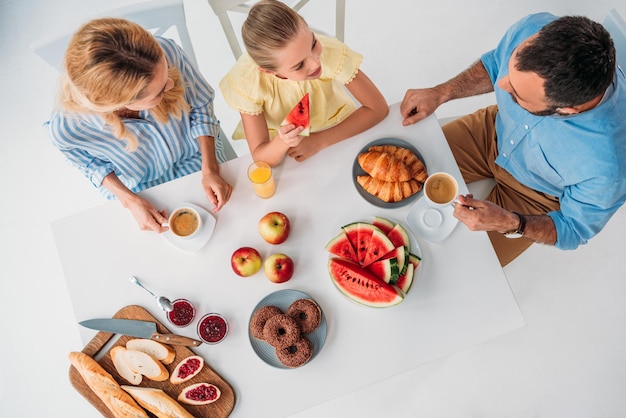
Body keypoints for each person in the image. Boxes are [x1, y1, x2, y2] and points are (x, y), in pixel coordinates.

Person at [401, 13, 626, 266]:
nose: (501, 84)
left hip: (534, 198)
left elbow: (573, 229)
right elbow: (496, 65)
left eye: (516, 94)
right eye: (511, 73)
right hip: (489, 132)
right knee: (401, 174)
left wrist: (512, 223)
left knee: (453, 266)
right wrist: (442, 92)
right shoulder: (532, 28)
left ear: (567, 109)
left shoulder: (610, 166)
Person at [46, 18, 234, 233]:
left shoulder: (166, 52)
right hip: (141, 188)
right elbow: (92, 165)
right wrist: (130, 201)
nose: (172, 84)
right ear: (118, 104)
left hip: (197, 158)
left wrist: (210, 168)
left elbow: (200, 106)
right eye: (161, 90)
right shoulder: (67, 129)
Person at [219, 0, 388, 166]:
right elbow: (261, 158)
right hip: (283, 148)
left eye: (313, 43)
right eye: (299, 65)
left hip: (339, 126)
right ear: (269, 71)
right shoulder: (247, 82)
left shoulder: (328, 53)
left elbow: (378, 108)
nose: (315, 63)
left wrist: (320, 140)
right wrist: (282, 141)